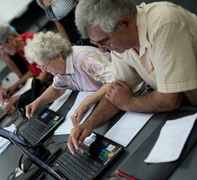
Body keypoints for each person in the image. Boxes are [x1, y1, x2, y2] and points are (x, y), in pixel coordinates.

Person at [67, 0, 197, 154]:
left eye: (104, 41)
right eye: (97, 43)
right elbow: (117, 91)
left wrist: (128, 102)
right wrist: (89, 124)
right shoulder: (122, 41)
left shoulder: (164, 23)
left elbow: (170, 99)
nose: (102, 50)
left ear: (126, 23)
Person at [24, 31, 112, 125]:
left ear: (59, 56)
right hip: (103, 102)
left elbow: (115, 80)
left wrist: (87, 101)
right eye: (41, 67)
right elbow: (57, 89)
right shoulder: (61, 67)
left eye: (45, 66)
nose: (43, 71)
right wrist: (37, 102)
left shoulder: (84, 59)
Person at [0, 24, 53, 114]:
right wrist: (15, 85)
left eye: (2, 48)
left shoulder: (33, 41)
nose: (4, 52)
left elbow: (45, 75)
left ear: (11, 39)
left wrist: (20, 97)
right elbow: (33, 70)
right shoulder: (21, 47)